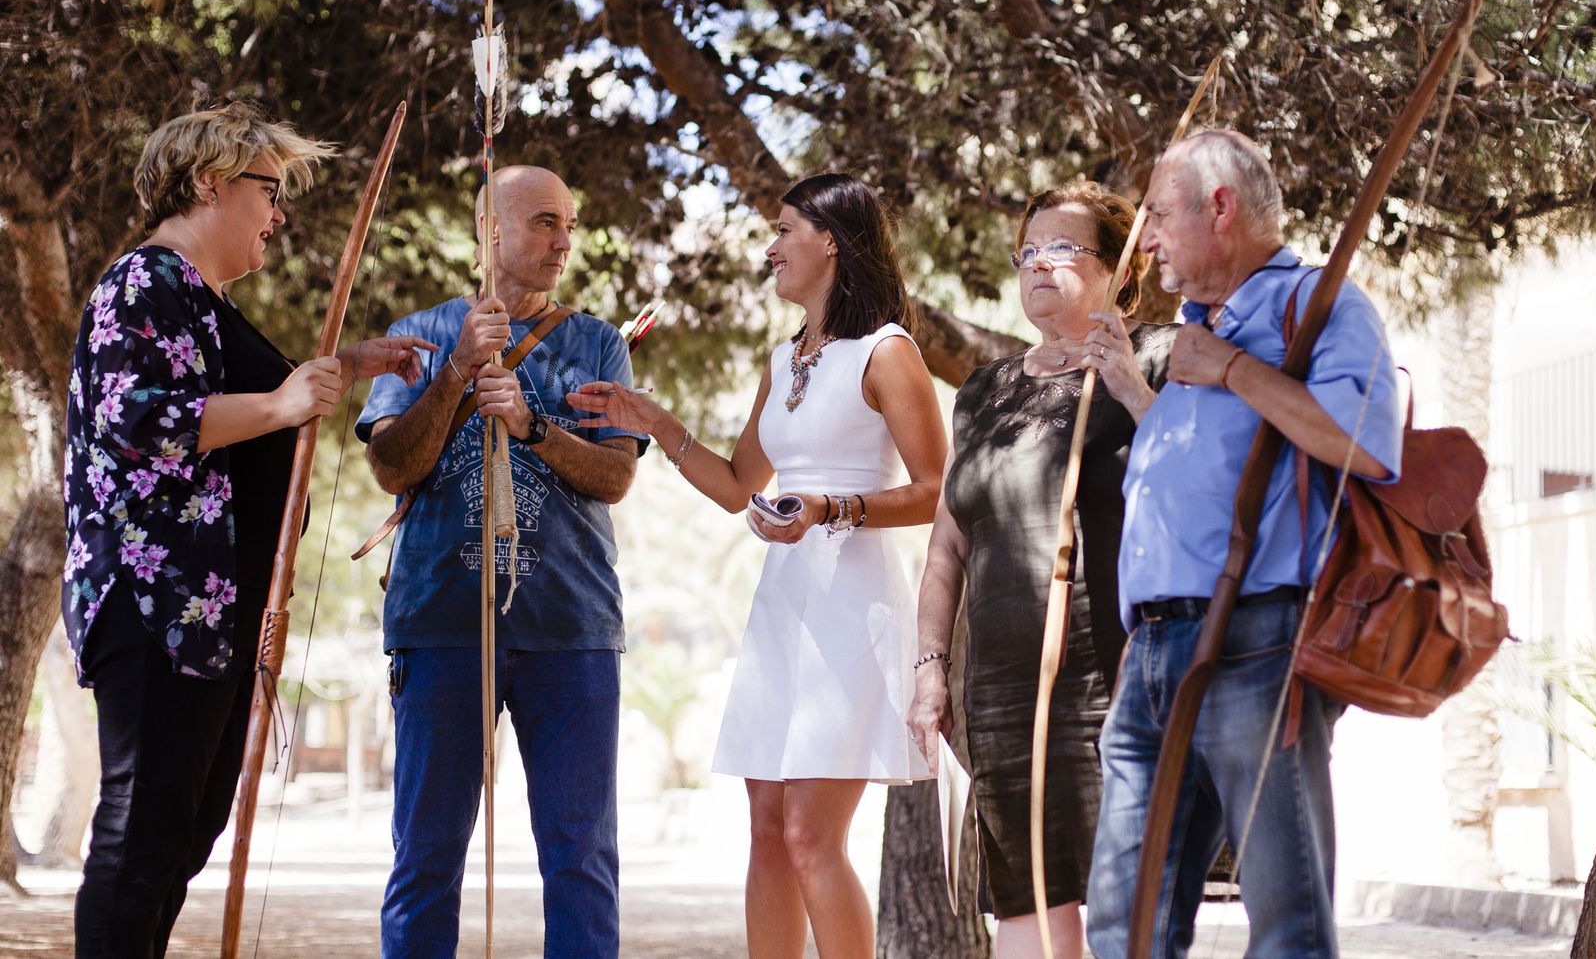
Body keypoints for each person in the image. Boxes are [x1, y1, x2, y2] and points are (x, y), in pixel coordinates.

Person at [61, 102, 434, 958]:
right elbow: (136, 416)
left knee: (180, 835)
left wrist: (348, 364)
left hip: (213, 609)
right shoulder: (143, 282)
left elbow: (253, 402)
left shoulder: (202, 300)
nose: (279, 213)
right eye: (269, 190)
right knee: (142, 827)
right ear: (209, 184)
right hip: (157, 598)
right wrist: (281, 401)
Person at [567, 172, 947, 959]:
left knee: (812, 832)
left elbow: (940, 492)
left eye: (783, 231)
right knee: (767, 831)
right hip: (784, 604)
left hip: (854, 601)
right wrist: (655, 422)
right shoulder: (783, 358)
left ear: (830, 241)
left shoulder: (888, 351)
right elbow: (740, 485)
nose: (769, 248)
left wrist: (834, 509)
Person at [1083, 129, 1404, 958]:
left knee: (1286, 922)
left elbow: (1366, 442)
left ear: (1219, 208)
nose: (1144, 238)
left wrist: (1230, 368)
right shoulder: (1193, 330)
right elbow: (1201, 477)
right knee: (1124, 926)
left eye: (1156, 214)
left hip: (1255, 640)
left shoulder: (1317, 306)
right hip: (1154, 652)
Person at [357, 165, 644, 959]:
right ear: (489, 230)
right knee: (425, 857)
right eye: (545, 222)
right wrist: (454, 370)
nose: (563, 242)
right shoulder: (419, 333)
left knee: (581, 858)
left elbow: (616, 476)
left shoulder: (598, 343)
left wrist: (531, 424)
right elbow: (392, 466)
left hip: (573, 629)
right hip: (440, 624)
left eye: (570, 226)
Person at [905, 183, 1175, 958]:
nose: (1039, 263)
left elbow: (1204, 477)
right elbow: (946, 547)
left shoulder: (1157, 354)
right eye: (1028, 251)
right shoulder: (986, 389)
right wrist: (931, 667)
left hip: (1115, 679)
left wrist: (1128, 381)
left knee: (1133, 904)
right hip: (998, 691)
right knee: (1025, 908)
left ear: (1121, 271)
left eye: (1063, 248)